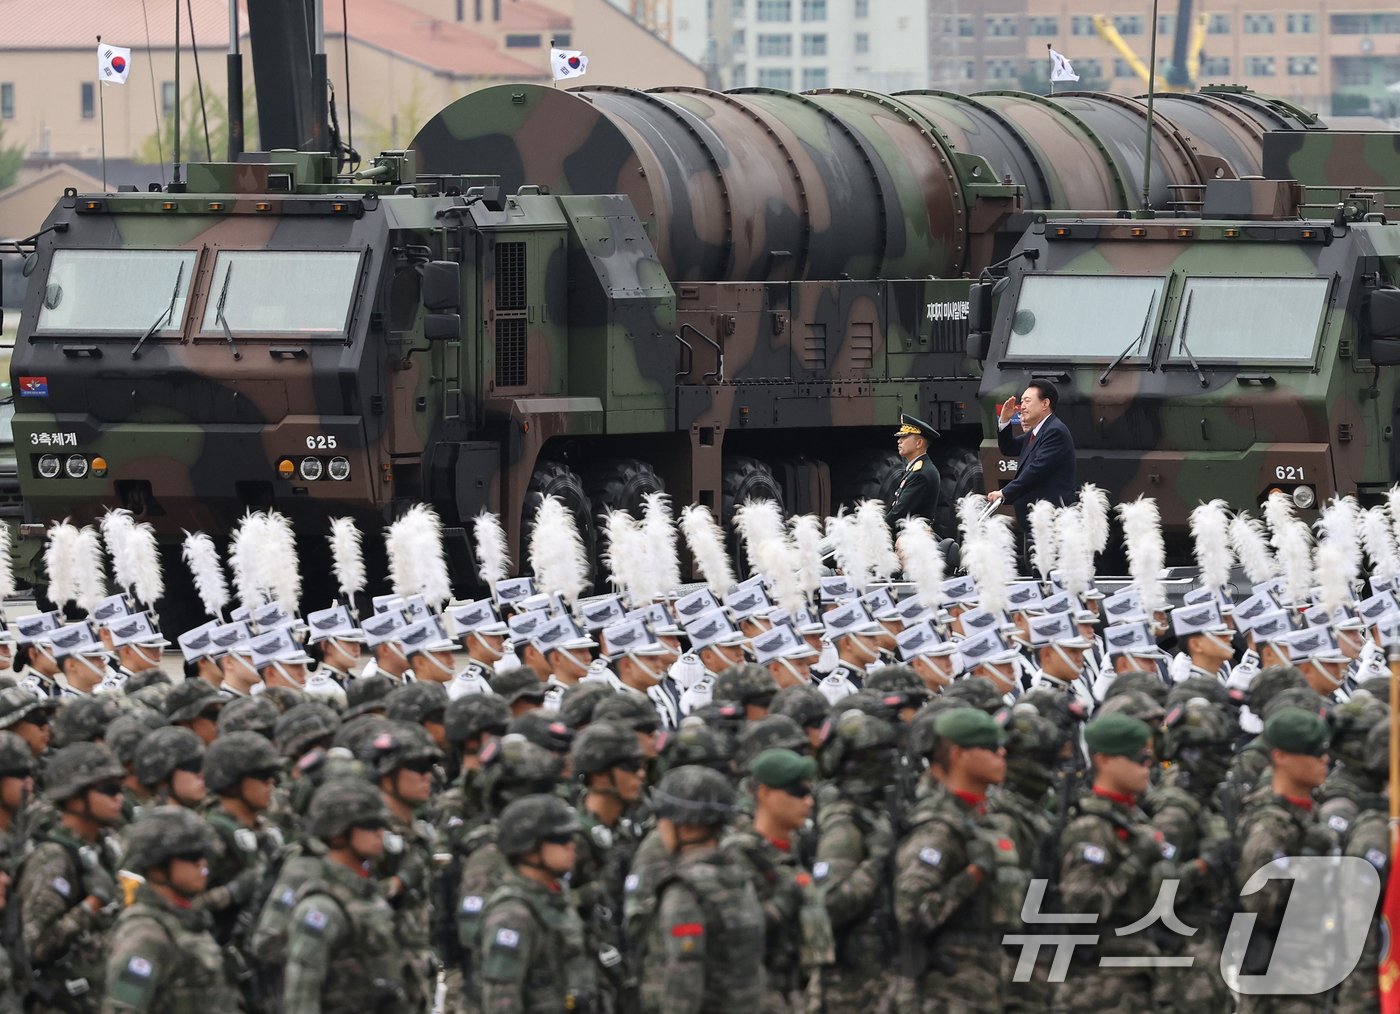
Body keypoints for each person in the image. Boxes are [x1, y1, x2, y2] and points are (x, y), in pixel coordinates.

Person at [639, 766, 765, 1014]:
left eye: (663, 819)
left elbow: (684, 980)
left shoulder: (685, 890)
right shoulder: (738, 876)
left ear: (684, 826)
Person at [278, 777, 408, 1014]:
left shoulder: (368, 896)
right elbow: (300, 999)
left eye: (381, 824)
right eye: (369, 825)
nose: (380, 833)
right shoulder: (321, 908)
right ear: (338, 832)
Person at [101, 806, 241, 1013]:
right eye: (191, 856)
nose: (202, 864)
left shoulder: (187, 920)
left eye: (203, 855)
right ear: (157, 864)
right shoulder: (146, 933)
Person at [478, 794, 595, 1013]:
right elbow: (501, 1001)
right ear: (529, 848)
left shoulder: (556, 898)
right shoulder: (513, 913)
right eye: (560, 840)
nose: (571, 846)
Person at [988, 380, 1077, 525]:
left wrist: (1004, 492)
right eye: (1021, 401)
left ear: (1045, 404)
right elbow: (1008, 448)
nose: (1022, 407)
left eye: (1027, 401)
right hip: (1034, 519)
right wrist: (1004, 420)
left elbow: (1037, 469)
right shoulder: (1037, 431)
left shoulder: (1055, 431)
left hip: (1049, 520)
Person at [885, 414, 942, 526]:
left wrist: (878, 530)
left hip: (913, 538)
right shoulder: (916, 469)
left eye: (904, 437)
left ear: (919, 443)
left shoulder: (922, 473)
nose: (899, 441)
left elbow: (900, 512)